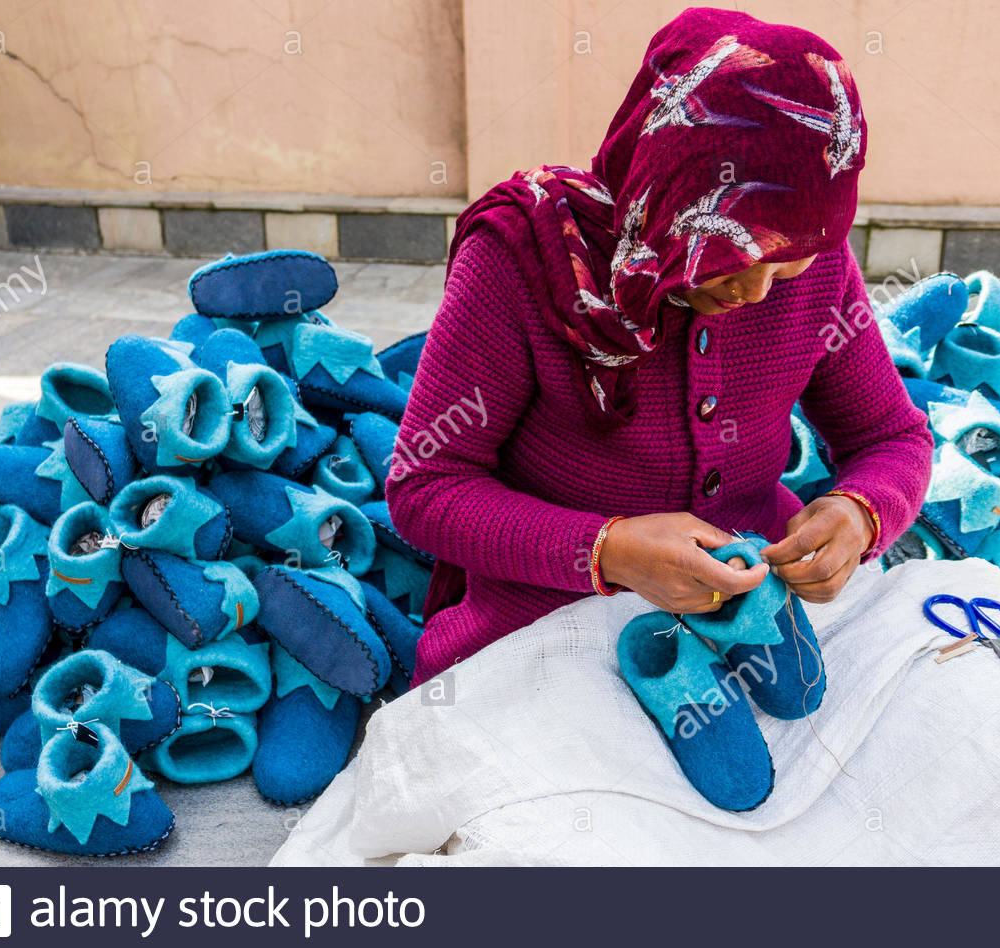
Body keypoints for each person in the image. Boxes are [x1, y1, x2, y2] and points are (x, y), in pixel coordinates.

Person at [388, 7, 933, 686]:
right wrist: (609, 550)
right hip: (544, 621)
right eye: (730, 258)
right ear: (668, 189)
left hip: (758, 615)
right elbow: (427, 487)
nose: (758, 291)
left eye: (784, 265)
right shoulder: (521, 260)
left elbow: (891, 437)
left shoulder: (815, 263)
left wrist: (860, 512)